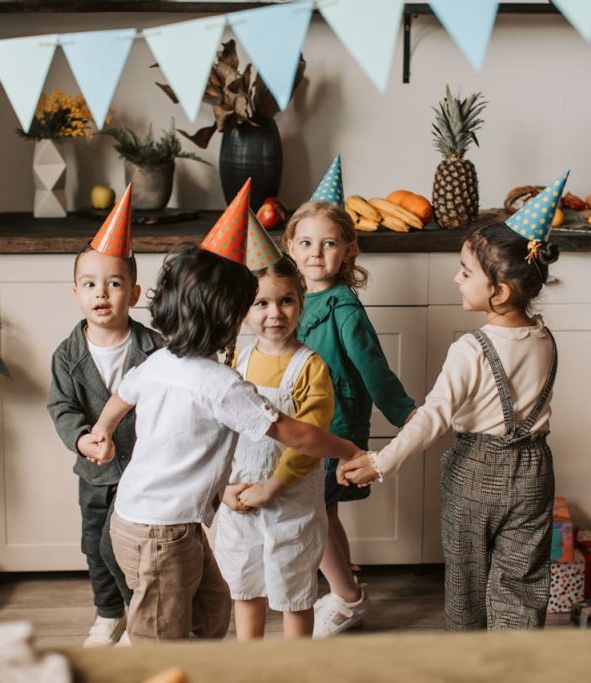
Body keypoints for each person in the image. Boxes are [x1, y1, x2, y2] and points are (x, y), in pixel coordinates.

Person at [87, 182, 359, 644]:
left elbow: (121, 396)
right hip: (160, 534)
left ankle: (200, 659)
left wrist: (103, 429)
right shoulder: (222, 383)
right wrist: (348, 448)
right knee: (162, 634)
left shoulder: (158, 361)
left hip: (143, 520)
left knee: (213, 608)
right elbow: (297, 435)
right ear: (229, 320)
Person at [339, 172, 567, 631]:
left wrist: (380, 463)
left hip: (475, 472)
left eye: (466, 272)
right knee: (522, 583)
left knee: (467, 583)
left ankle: (468, 657)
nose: (456, 278)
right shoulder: (544, 337)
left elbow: (433, 417)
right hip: (535, 471)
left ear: (499, 291)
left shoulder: (471, 349)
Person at [285, 155, 417, 638]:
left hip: (333, 426)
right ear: (290, 246)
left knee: (308, 514)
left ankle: (347, 598)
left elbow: (373, 367)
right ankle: (345, 586)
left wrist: (408, 415)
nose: (315, 253)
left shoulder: (343, 308)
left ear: (348, 250)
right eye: (306, 242)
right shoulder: (294, 299)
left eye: (328, 243)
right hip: (301, 424)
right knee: (322, 512)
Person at [46, 187, 163, 647]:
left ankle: (141, 616)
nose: (102, 293)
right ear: (76, 294)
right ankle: (109, 613)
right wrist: (82, 439)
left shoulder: (155, 349)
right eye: (90, 284)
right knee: (95, 547)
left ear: (133, 294)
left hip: (145, 471)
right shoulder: (68, 355)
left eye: (114, 283)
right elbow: (62, 406)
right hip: (95, 473)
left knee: (133, 549)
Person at [215, 250, 334, 641]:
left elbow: (309, 440)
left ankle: (294, 665)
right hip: (240, 498)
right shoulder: (234, 363)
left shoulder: (310, 367)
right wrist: (223, 489)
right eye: (261, 303)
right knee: (245, 586)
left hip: (291, 500)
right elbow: (219, 431)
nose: (275, 313)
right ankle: (251, 660)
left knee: (293, 592)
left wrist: (273, 487)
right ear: (244, 310)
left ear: (301, 302)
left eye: (285, 301)